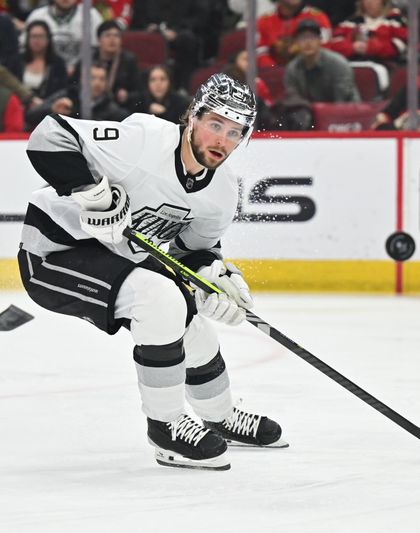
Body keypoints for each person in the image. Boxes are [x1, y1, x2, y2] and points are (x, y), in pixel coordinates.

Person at [18, 73, 286, 471]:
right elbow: (48, 135)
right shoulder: (143, 141)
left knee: (192, 326)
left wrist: (216, 277)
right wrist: (90, 192)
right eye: (215, 125)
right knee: (158, 300)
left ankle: (220, 415)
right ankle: (166, 429)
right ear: (192, 118)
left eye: (234, 132)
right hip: (54, 252)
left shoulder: (223, 192)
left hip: (118, 256)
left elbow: (194, 251)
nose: (221, 142)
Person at [25, 61, 129, 128]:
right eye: (92, 78)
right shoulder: (66, 96)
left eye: (102, 79)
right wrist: (52, 110)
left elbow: (127, 122)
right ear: (81, 79)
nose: (97, 83)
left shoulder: (110, 108)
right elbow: (30, 116)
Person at [284, 19, 361, 103]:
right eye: (303, 38)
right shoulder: (292, 69)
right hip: (309, 113)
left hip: (347, 112)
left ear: (320, 40)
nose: (308, 42)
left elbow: (342, 101)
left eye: (312, 37)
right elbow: (294, 101)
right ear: (297, 42)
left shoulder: (338, 64)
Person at [23, 0, 103, 75]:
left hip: (83, 76)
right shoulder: (37, 16)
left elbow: (98, 51)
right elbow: (24, 49)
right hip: (45, 76)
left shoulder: (91, 15)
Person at [71, 19, 139, 106]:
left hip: (117, 107)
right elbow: (73, 85)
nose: (112, 40)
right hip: (88, 105)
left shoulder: (129, 61)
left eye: (116, 36)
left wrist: (127, 96)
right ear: (99, 40)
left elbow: (139, 92)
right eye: (107, 35)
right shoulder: (88, 59)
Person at [326, 0, 408, 64]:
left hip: (386, 66)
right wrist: (352, 47)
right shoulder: (351, 23)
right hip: (353, 64)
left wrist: (369, 47)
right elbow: (334, 44)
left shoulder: (395, 21)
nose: (369, 2)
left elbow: (400, 46)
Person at [255, 0, 332, 67]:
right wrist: (275, 72)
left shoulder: (319, 18)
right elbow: (261, 55)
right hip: (273, 76)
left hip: (309, 76)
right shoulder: (264, 21)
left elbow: (323, 53)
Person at [21, 20, 69, 100]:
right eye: (33, 36)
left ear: (48, 39)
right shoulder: (17, 61)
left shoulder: (58, 64)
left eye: (40, 36)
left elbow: (61, 91)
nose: (36, 40)